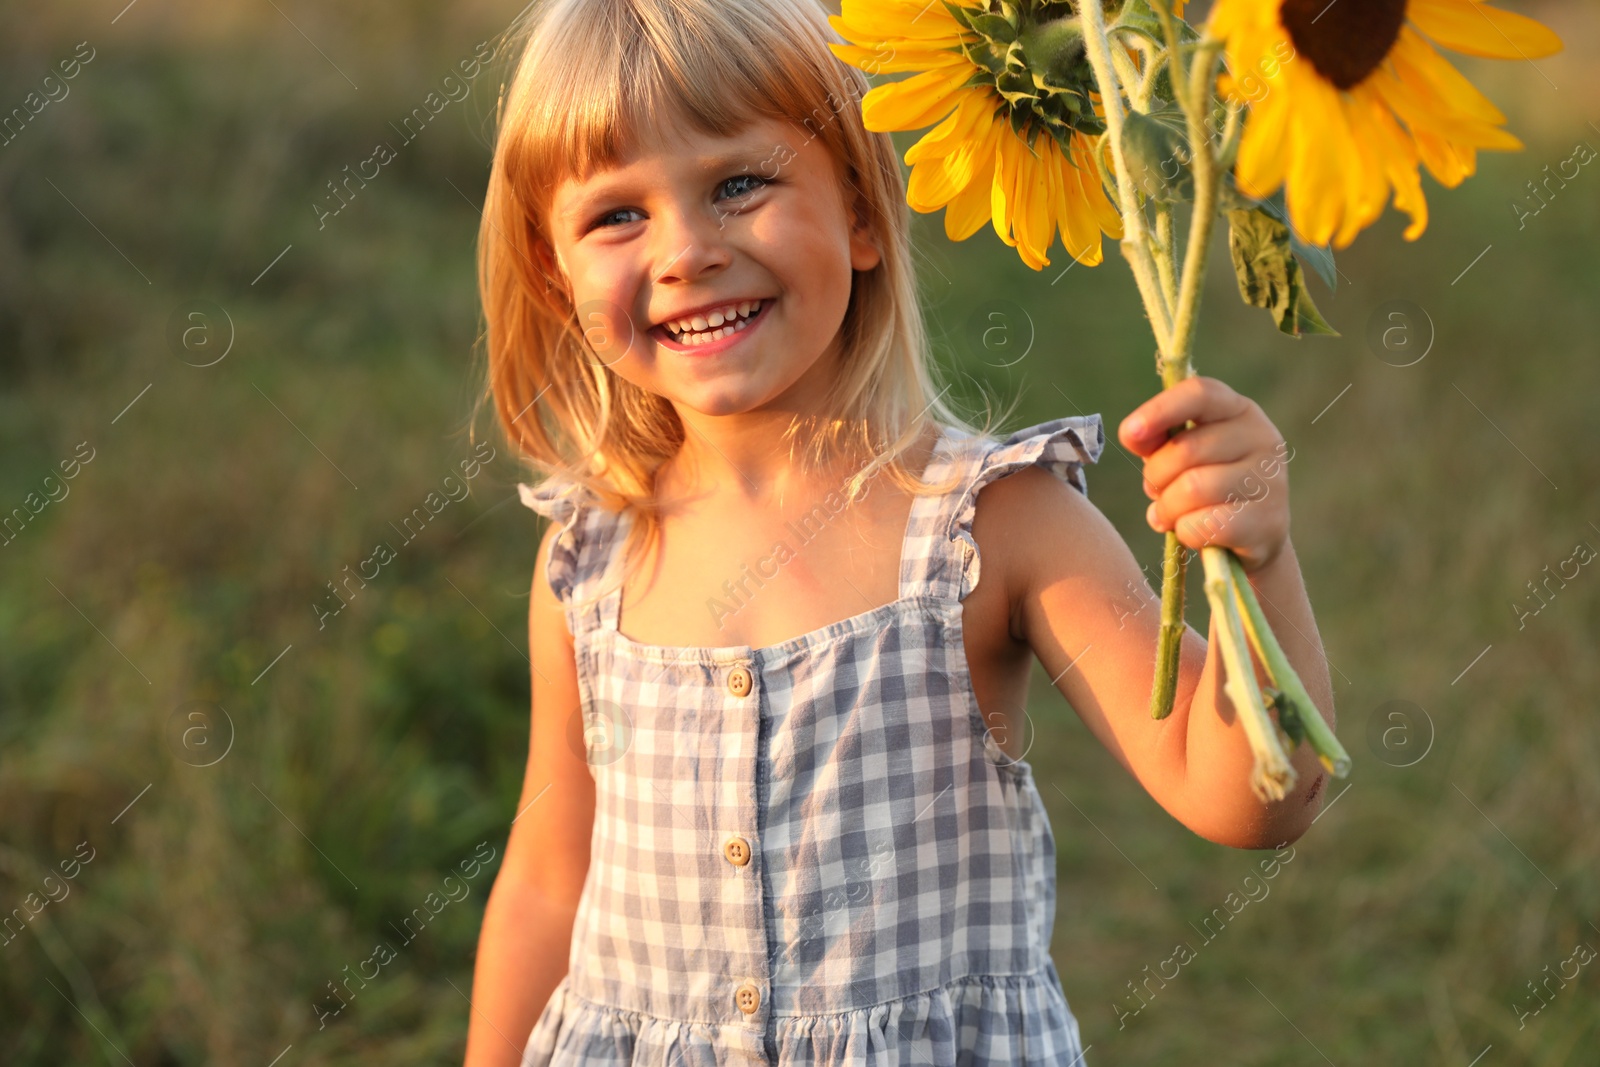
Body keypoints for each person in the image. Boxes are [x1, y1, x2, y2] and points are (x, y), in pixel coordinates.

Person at [462, 0, 1335, 1063]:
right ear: (555, 273)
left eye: (740, 183)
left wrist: (1257, 555)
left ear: (862, 210)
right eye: (617, 216)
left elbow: (1247, 794)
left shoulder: (991, 524)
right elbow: (550, 879)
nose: (687, 250)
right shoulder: (590, 559)